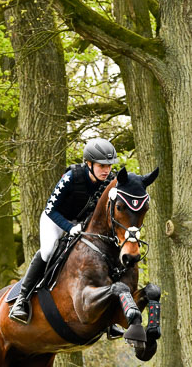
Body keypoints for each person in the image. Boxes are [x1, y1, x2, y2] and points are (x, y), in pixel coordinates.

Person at [9, 137, 118, 323]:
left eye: (109, 166)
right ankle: (22, 299)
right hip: (56, 219)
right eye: (102, 166)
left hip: (82, 224)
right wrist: (69, 227)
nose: (106, 170)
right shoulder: (71, 177)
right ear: (89, 164)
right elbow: (51, 210)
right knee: (49, 250)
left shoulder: (108, 181)